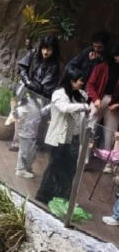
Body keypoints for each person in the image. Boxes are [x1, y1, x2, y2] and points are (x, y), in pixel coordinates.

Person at [35, 72, 90, 208]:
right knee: (54, 166)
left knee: (70, 169)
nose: (82, 83)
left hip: (73, 137)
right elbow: (65, 108)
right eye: (80, 80)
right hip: (59, 137)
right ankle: (44, 195)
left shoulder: (80, 94)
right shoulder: (58, 94)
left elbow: (84, 105)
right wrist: (83, 106)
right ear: (71, 81)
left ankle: (63, 197)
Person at [11, 34, 61, 177]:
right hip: (24, 98)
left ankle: (24, 166)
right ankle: (22, 167)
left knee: (29, 136)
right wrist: (27, 81)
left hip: (36, 102)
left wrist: (28, 83)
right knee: (25, 134)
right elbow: (21, 68)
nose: (45, 52)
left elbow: (44, 89)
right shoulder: (33, 54)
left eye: (49, 49)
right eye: (44, 48)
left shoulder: (54, 67)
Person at [87, 44, 119, 149]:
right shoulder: (101, 67)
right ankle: (84, 157)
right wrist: (95, 99)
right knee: (90, 127)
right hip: (99, 98)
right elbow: (90, 85)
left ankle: (107, 161)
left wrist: (118, 104)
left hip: (114, 104)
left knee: (110, 133)